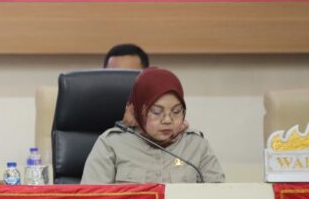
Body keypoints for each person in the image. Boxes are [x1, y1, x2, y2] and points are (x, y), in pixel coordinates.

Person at [81, 67, 224, 184]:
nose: (167, 120)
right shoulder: (111, 145)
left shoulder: (196, 145)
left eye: (176, 111)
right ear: (139, 111)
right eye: (156, 112)